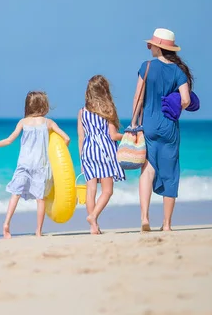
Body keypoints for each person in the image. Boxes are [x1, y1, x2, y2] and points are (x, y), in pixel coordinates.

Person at [0, 91, 70, 238]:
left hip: (24, 164)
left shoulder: (23, 122)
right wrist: (57, 155)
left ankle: (6, 224)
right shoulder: (48, 123)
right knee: (40, 198)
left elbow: (9, 140)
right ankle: (38, 231)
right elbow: (66, 139)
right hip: (41, 165)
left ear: (28, 106)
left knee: (15, 194)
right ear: (44, 105)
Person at [132, 28, 193, 232]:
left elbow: (138, 98)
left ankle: (144, 218)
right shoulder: (178, 71)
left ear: (158, 47)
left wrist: (134, 125)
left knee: (147, 170)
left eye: (151, 44)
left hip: (148, 124)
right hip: (169, 126)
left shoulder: (146, 66)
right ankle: (166, 224)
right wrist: (175, 105)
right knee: (170, 173)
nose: (149, 47)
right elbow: (186, 100)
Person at [77, 75, 126, 235]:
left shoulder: (82, 112)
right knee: (107, 191)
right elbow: (112, 136)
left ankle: (93, 227)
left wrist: (82, 160)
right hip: (104, 152)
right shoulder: (107, 109)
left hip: (88, 152)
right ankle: (93, 216)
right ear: (105, 90)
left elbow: (81, 137)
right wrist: (127, 136)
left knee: (90, 190)